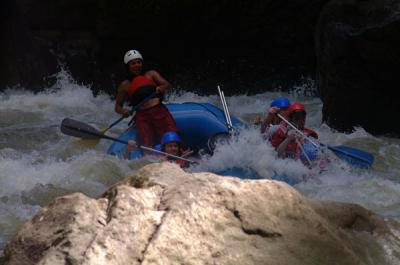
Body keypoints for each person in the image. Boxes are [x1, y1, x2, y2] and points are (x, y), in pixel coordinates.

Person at [115, 49, 179, 149]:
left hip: (159, 112)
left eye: (139, 62)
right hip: (142, 117)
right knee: (147, 145)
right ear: (128, 66)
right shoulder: (125, 85)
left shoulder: (151, 74)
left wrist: (161, 87)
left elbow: (166, 84)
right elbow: (117, 106)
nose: (137, 65)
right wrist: (124, 111)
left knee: (173, 139)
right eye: (133, 63)